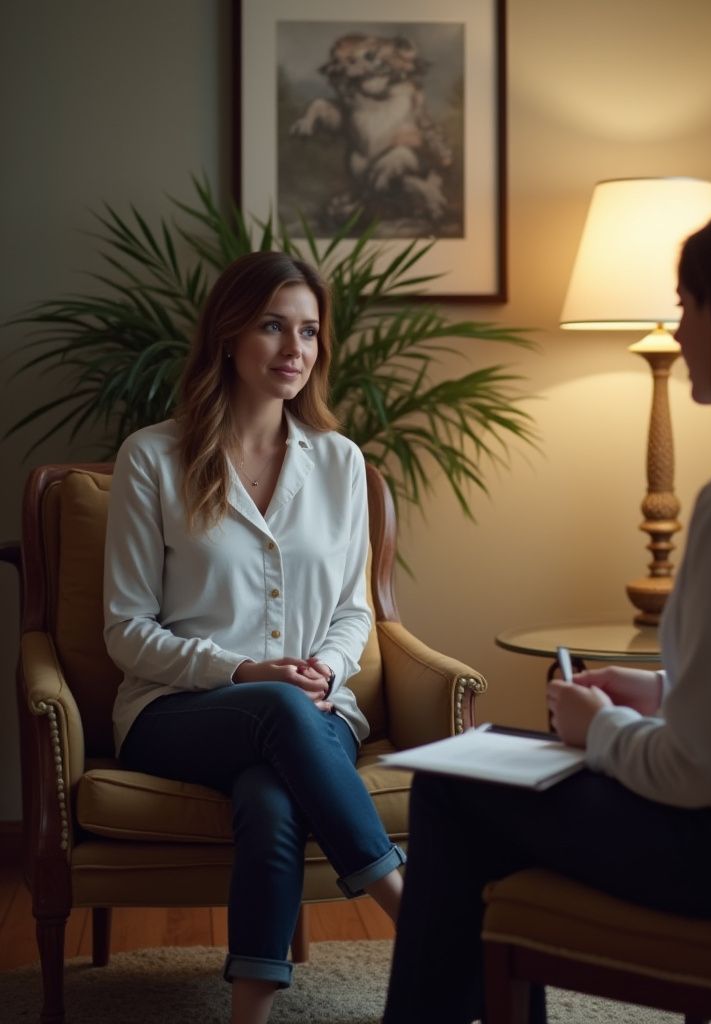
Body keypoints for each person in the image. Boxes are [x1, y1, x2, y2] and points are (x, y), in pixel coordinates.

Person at [381, 203, 711, 1023]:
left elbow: (698, 774)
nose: (675, 327)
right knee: (488, 778)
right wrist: (659, 695)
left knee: (456, 791)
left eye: (684, 305)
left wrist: (593, 728)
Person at [103, 251, 405, 1024]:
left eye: (308, 330)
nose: (294, 348)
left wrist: (326, 671)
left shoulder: (340, 463)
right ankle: (409, 904)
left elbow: (353, 609)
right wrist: (245, 671)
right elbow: (125, 630)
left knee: (271, 796)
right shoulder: (154, 458)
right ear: (229, 335)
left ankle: (249, 1017)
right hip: (175, 713)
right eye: (273, 326)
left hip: (316, 709)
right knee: (274, 707)